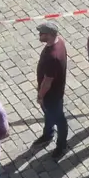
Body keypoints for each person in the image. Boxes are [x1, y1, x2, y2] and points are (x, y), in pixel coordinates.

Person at [33, 23, 69, 159]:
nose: (39, 35)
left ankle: (62, 145)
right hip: (52, 93)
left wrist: (40, 96)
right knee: (48, 114)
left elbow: (47, 82)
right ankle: (48, 135)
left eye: (41, 33)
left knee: (59, 119)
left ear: (48, 35)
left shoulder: (52, 57)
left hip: (51, 95)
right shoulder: (59, 42)